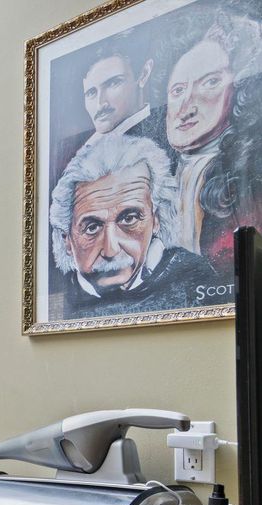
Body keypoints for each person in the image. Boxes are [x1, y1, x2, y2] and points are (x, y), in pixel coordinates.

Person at [49, 134, 220, 319]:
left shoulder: (192, 276)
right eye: (92, 228)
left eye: (129, 219)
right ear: (67, 240)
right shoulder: (52, 301)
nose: (111, 250)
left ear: (156, 219)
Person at [165, 12, 262, 267]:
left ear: (238, 89)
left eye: (210, 82)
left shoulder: (249, 180)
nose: (186, 107)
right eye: (178, 90)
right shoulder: (157, 180)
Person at [51, 35, 167, 188]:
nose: (100, 103)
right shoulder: (79, 146)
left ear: (144, 74)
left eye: (113, 83)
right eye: (91, 92)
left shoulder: (166, 135)